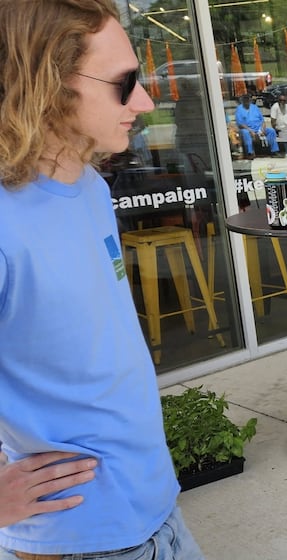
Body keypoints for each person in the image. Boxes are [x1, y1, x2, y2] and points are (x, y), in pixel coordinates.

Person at [0, 1, 204, 558]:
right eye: (123, 84)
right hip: (79, 538)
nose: (145, 102)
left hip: (156, 511)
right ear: (47, 85)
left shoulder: (89, 187)